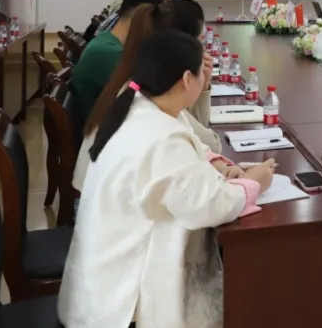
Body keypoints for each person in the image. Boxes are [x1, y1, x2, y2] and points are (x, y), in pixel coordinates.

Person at [58, 31, 276, 328]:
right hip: (122, 305)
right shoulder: (160, 136)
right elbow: (210, 204)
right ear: (187, 79)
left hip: (98, 278)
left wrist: (220, 167)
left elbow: (191, 151)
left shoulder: (139, 104)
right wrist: (255, 182)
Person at [74, 0, 223, 192]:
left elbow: (197, 133)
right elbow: (212, 143)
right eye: (199, 42)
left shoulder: (136, 78)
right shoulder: (151, 92)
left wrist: (200, 84)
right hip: (102, 201)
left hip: (93, 196)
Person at [71, 0, 166, 123]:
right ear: (142, 19)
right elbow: (147, 99)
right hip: (104, 130)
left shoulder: (106, 40)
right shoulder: (110, 54)